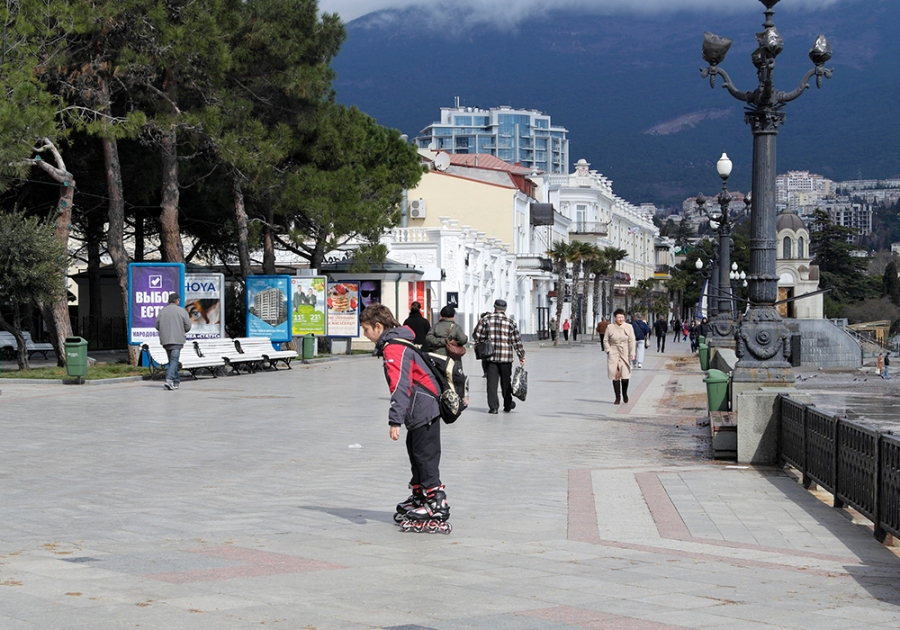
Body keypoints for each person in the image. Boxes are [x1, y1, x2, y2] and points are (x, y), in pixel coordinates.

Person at [360, 303, 451, 533]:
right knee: (416, 451)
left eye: (366, 329)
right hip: (421, 407)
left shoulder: (393, 348)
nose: (365, 335)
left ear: (378, 326)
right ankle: (420, 497)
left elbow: (400, 385)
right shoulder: (399, 341)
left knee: (425, 456)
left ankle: (436, 502)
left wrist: (394, 420)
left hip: (423, 407)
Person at [472, 299, 526, 414]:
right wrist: (521, 355)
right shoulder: (511, 322)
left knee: (491, 383)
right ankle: (507, 405)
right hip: (506, 357)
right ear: (505, 309)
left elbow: (476, 335)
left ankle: (493, 407)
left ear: (494, 307)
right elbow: (516, 341)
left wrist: (485, 340)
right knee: (506, 381)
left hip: (490, 357)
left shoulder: (485, 319)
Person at [155, 292, 192, 390]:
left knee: (172, 361)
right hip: (177, 339)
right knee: (174, 361)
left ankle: (176, 381)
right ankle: (169, 379)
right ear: (176, 301)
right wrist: (181, 330)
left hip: (165, 340)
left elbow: (157, 325)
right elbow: (188, 326)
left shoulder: (162, 311)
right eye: (179, 300)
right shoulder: (181, 311)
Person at [604, 308, 636, 405]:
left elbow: (632, 340)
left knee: (625, 376)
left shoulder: (629, 327)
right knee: (615, 375)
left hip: (625, 352)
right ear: (615, 318)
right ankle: (617, 397)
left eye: (622, 317)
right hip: (613, 352)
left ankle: (625, 393)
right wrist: (609, 350)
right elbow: (605, 340)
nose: (621, 319)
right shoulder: (610, 327)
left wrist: (632, 353)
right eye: (619, 317)